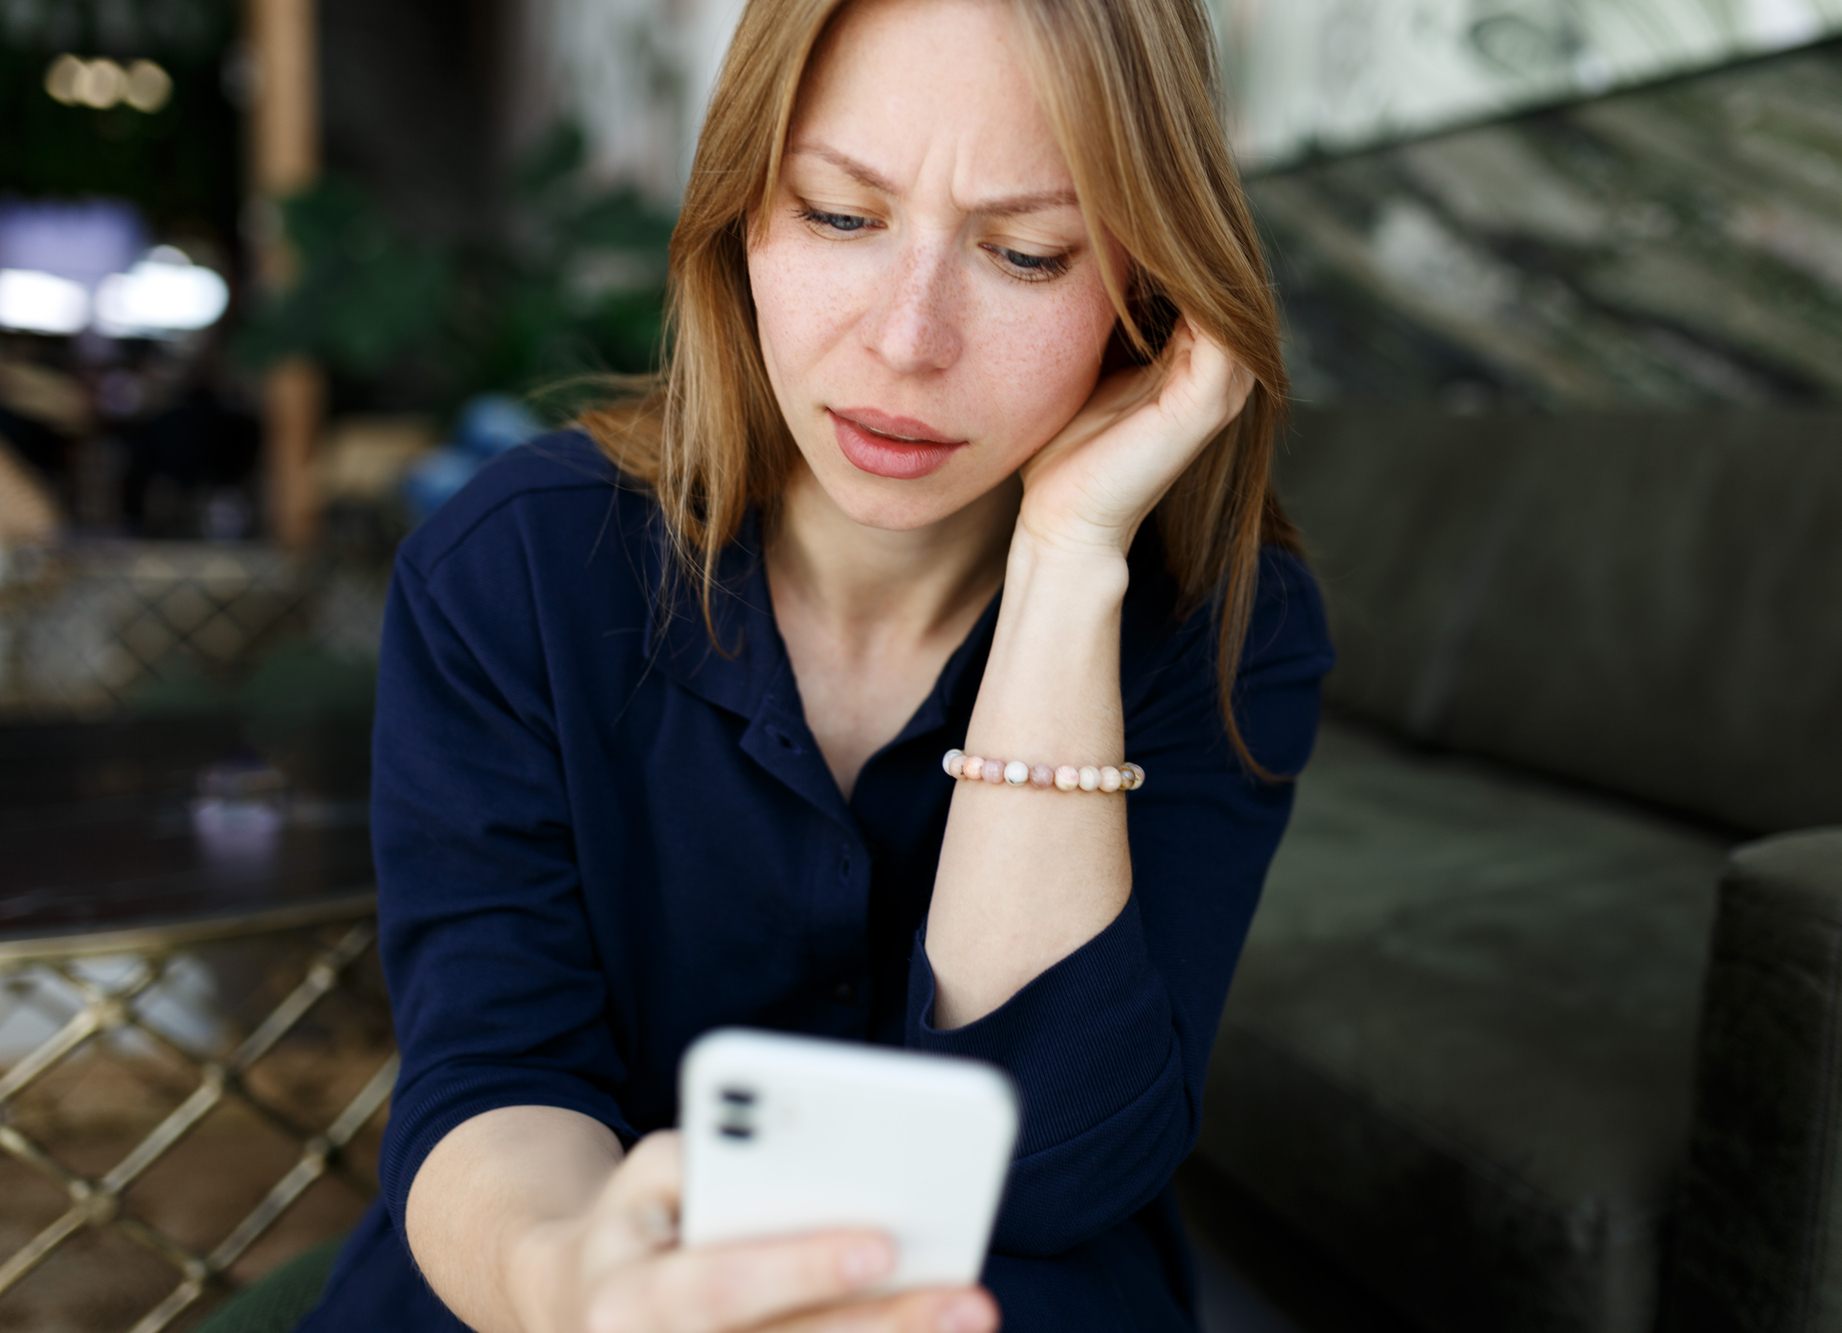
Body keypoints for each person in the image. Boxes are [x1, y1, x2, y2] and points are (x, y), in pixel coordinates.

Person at [297, 0, 1332, 1329]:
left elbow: (1056, 1158)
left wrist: (1068, 565)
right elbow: (496, 1075)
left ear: (1147, 287)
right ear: (744, 218)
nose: (908, 340)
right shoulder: (513, 571)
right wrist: (577, 1284)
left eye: (1027, 253)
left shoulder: (1228, 622)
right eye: (842, 217)